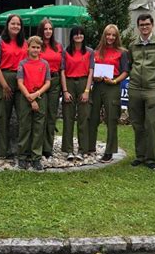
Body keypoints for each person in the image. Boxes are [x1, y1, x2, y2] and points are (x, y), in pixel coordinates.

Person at [128, 14, 155, 170]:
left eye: (147, 24)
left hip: (153, 90)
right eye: (141, 25)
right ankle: (139, 156)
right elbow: (129, 65)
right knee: (137, 125)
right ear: (138, 26)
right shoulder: (133, 45)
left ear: (152, 25)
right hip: (135, 89)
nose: (144, 27)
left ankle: (150, 158)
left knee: (152, 125)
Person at [88, 24, 129, 162]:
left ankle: (110, 151)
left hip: (112, 87)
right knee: (92, 116)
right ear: (104, 35)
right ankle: (89, 146)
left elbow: (125, 71)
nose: (110, 37)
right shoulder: (96, 51)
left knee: (111, 118)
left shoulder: (122, 52)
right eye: (108, 34)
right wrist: (94, 77)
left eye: (113, 35)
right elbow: (91, 70)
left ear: (117, 37)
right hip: (98, 86)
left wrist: (115, 81)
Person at [0, 14, 28, 158]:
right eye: (13, 23)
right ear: (7, 25)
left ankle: (22, 150)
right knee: (3, 117)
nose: (15, 26)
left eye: (18, 24)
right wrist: (4, 85)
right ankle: (4, 151)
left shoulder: (24, 43)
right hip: (4, 79)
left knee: (23, 116)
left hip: (21, 80)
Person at [17, 35, 51, 170]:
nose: (35, 50)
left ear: (41, 49)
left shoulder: (45, 64)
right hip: (25, 97)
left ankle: (36, 157)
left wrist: (37, 94)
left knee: (38, 127)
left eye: (38, 47)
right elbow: (20, 82)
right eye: (33, 47)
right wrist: (29, 96)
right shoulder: (22, 64)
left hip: (41, 96)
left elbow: (48, 82)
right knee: (25, 127)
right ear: (28, 48)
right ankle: (22, 156)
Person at [61, 25, 94, 160]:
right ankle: (68, 150)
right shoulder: (65, 52)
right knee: (68, 118)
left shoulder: (90, 52)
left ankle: (82, 150)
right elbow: (62, 71)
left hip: (83, 82)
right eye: (76, 34)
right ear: (72, 36)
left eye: (81, 34)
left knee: (83, 118)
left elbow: (91, 71)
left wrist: (87, 90)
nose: (78, 36)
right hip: (69, 82)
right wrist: (65, 91)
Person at [36, 19, 63, 158]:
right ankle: (37, 147)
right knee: (40, 115)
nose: (48, 31)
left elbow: (62, 67)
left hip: (55, 81)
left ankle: (48, 147)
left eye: (50, 29)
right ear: (41, 30)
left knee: (52, 115)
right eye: (45, 29)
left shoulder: (58, 46)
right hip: (40, 81)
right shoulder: (37, 46)